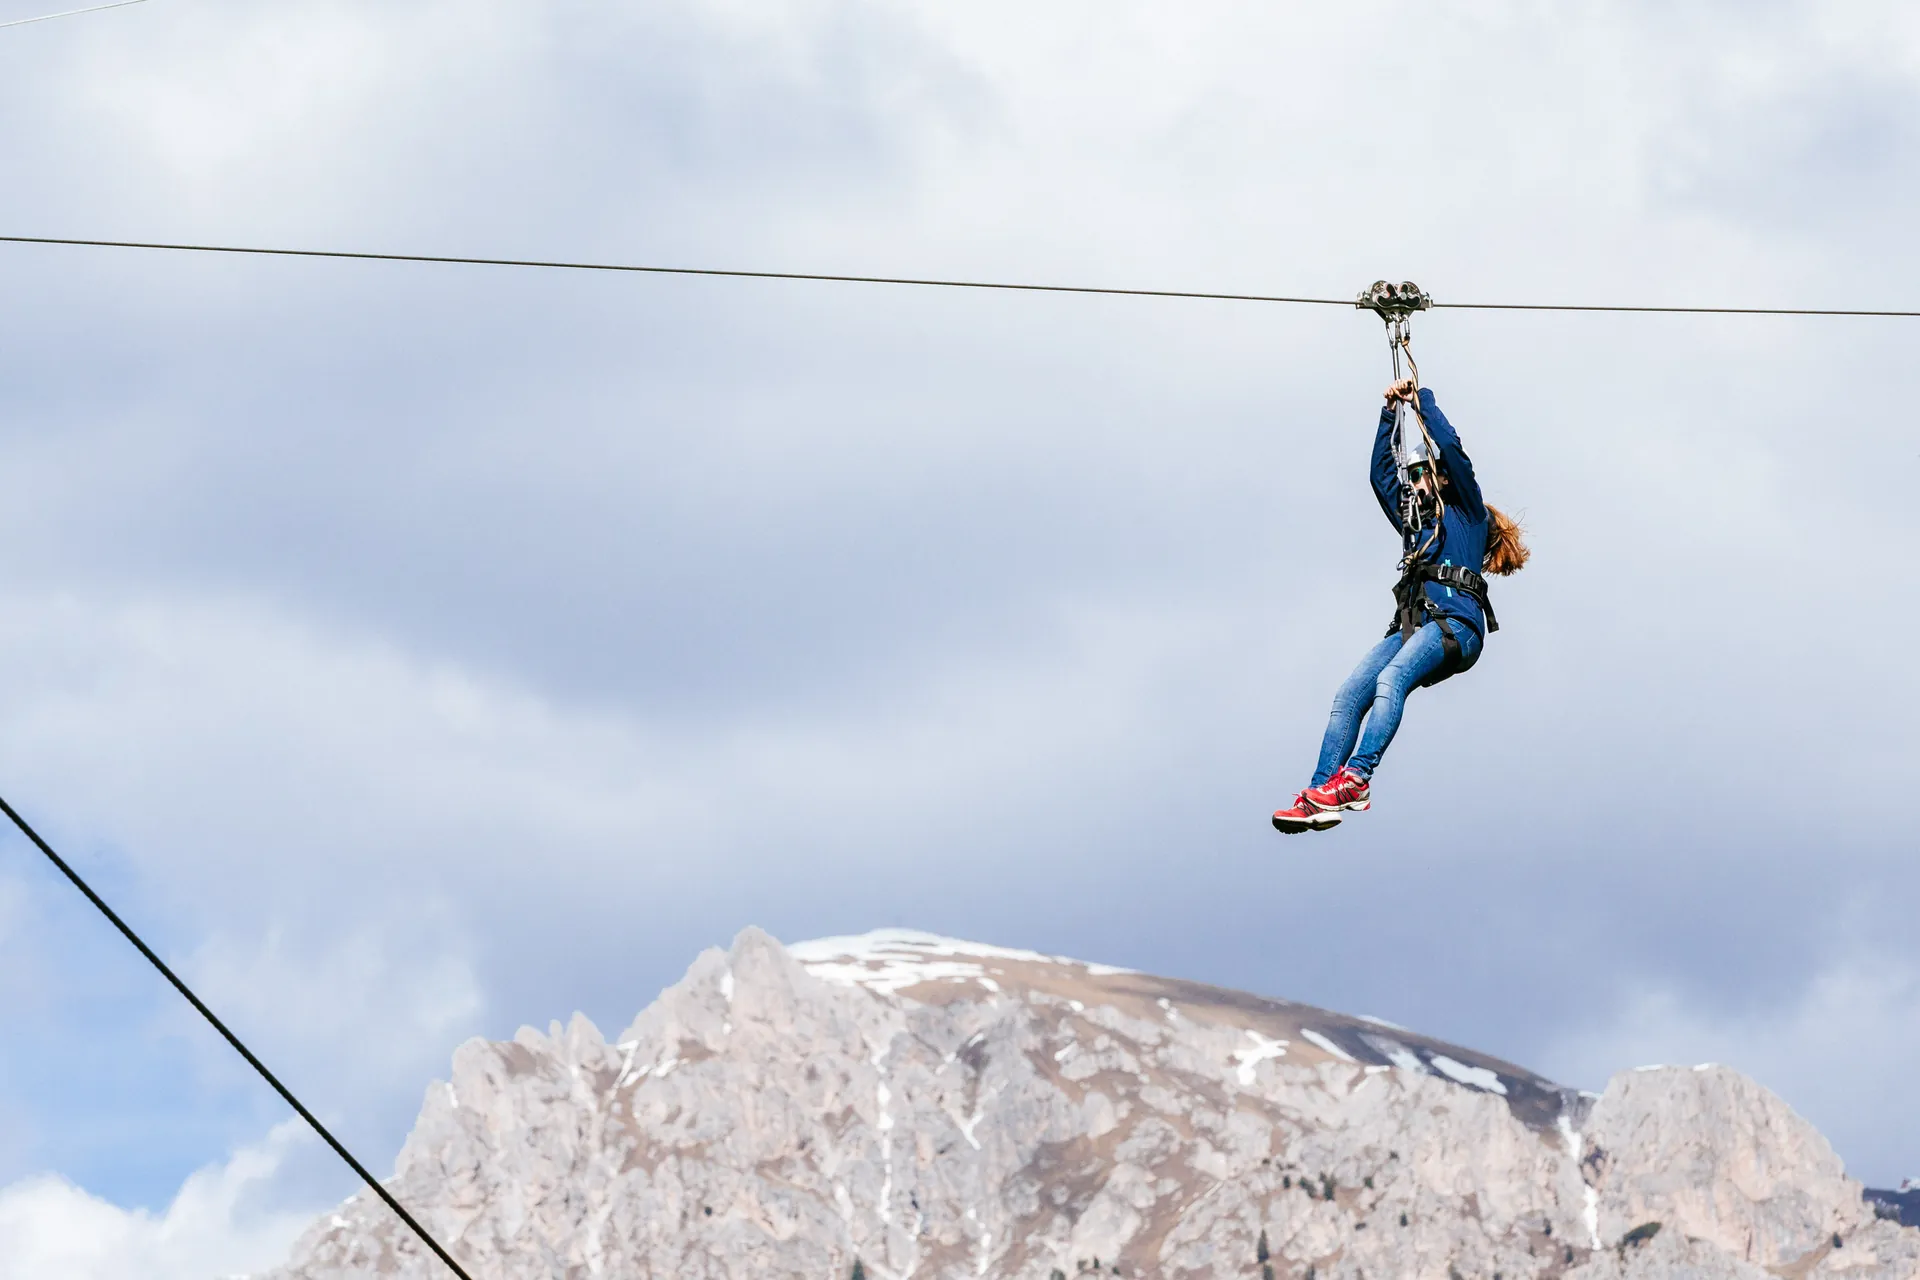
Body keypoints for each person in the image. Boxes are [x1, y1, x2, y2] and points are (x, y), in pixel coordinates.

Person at [1273, 379, 1529, 834]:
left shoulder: (1466, 513)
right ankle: (1319, 793)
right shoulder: (1417, 526)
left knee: (1392, 679)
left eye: (1420, 474)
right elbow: (1381, 477)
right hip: (1416, 627)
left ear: (1441, 476)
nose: (1412, 484)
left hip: (1457, 626)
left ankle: (1356, 779)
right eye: (1411, 478)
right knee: (1350, 695)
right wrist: (1389, 412)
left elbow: (1448, 445)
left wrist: (1420, 400)